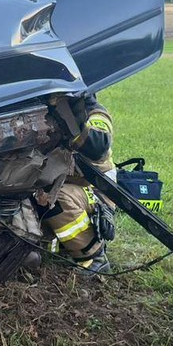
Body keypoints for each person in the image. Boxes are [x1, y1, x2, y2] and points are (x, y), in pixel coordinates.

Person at [35, 94, 117, 273]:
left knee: (51, 198)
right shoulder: (43, 109)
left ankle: (94, 258)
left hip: (95, 191)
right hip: (60, 181)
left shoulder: (94, 113)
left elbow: (97, 146)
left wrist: (72, 117)